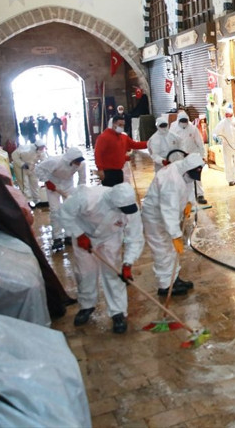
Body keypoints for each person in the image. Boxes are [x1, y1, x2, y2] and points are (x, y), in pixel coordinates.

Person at [60, 183, 144, 334]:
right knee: (85, 272)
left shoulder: (131, 208)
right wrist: (78, 233)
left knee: (114, 273)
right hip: (84, 235)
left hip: (110, 237)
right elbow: (64, 213)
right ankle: (87, 305)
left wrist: (128, 263)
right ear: (114, 203)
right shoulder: (87, 197)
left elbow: (135, 238)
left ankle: (118, 312)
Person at [141, 153, 202, 296]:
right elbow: (168, 210)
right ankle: (165, 286)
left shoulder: (182, 169)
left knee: (171, 250)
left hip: (167, 215)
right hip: (155, 218)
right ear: (187, 169)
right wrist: (175, 235)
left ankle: (174, 279)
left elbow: (188, 184)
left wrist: (188, 203)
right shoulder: (170, 180)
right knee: (163, 250)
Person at [36, 147, 87, 250]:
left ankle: (68, 235)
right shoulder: (55, 161)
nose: (78, 163)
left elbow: (82, 180)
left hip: (68, 185)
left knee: (70, 210)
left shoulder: (81, 165)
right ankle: (57, 237)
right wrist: (46, 181)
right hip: (53, 186)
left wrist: (80, 193)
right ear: (70, 160)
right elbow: (38, 168)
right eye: (76, 161)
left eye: (79, 161)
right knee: (55, 211)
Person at [94, 115, 148, 187]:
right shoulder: (104, 137)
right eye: (119, 125)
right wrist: (100, 169)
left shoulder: (123, 137)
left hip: (119, 170)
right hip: (108, 172)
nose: (121, 127)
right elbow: (98, 153)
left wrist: (150, 143)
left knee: (119, 192)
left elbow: (135, 145)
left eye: (123, 125)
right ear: (113, 124)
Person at [170, 110, 208, 204]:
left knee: (196, 176)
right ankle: (183, 197)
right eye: (182, 121)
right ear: (178, 121)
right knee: (182, 177)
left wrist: (203, 156)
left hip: (192, 155)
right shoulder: (173, 128)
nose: (184, 123)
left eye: (185, 121)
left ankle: (200, 195)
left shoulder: (193, 129)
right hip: (179, 156)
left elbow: (200, 143)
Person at [213, 105, 235, 186]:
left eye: (230, 115)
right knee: (228, 163)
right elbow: (215, 132)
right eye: (227, 115)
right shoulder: (223, 123)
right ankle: (230, 179)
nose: (228, 117)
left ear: (232, 114)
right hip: (227, 146)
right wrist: (215, 137)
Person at [11, 139, 47, 206]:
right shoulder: (25, 149)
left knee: (35, 183)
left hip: (32, 167)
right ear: (36, 147)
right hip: (20, 167)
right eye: (41, 147)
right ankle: (28, 201)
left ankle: (37, 200)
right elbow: (14, 155)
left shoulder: (42, 152)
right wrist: (21, 164)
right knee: (25, 184)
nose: (42, 149)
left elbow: (44, 161)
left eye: (43, 147)